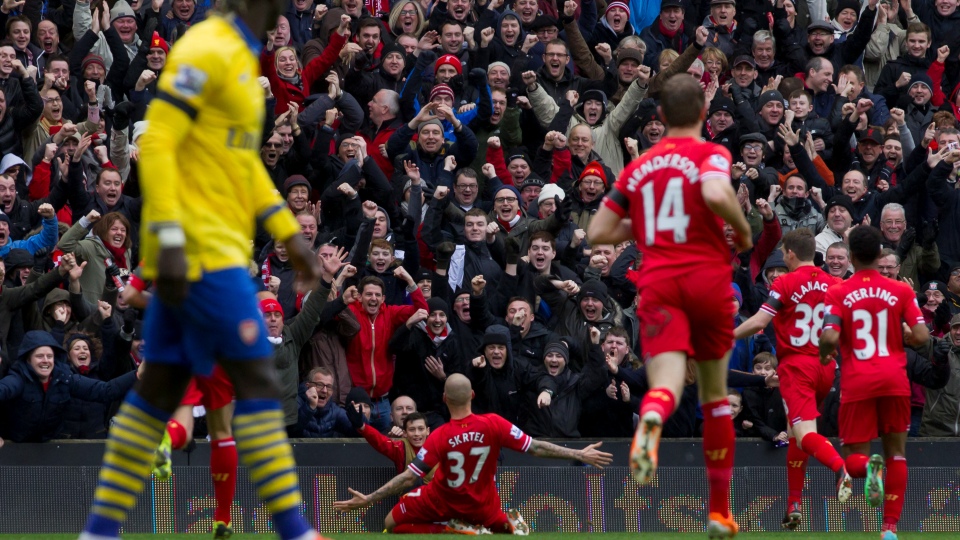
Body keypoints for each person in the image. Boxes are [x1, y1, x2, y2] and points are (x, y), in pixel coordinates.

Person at [78, 0, 328, 539]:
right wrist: (167, 239)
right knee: (258, 379)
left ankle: (98, 532)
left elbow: (241, 163)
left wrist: (290, 235)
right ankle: (295, 531)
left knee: (157, 394)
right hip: (202, 251)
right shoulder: (206, 46)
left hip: (215, 249)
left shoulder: (242, 57)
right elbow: (161, 140)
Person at [587, 73, 753, 539]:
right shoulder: (711, 154)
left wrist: (644, 227)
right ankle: (719, 512)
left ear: (658, 118)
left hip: (659, 283)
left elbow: (599, 230)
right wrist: (740, 230)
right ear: (703, 113)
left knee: (663, 384)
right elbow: (719, 194)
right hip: (706, 280)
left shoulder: (640, 168)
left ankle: (652, 420)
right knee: (715, 397)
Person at [332, 374, 613, 534]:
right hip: (483, 507)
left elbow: (407, 478)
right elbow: (537, 447)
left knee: (391, 524)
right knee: (519, 530)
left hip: (439, 502)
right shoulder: (493, 423)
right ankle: (489, 526)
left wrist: (367, 499)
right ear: (473, 395)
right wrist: (579, 452)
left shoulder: (440, 435)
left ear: (444, 399)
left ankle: (449, 530)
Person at [732, 228, 852, 529]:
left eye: (783, 252)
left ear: (790, 254)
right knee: (794, 431)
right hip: (826, 368)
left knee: (804, 433)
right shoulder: (834, 283)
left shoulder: (784, 282)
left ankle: (841, 469)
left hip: (797, 367)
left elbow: (760, 321)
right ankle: (794, 504)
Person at [819, 226, 929, 540]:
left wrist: (826, 354)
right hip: (895, 378)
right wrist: (905, 335)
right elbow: (921, 336)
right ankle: (890, 529)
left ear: (851, 256)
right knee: (897, 453)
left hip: (857, 382)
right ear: (880, 255)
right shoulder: (901, 290)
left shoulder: (838, 291)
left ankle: (869, 471)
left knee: (854, 458)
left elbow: (828, 335)